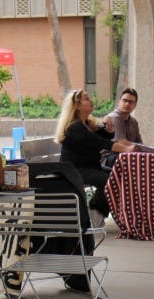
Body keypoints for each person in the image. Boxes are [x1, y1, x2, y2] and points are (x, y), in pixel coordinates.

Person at [55, 89, 136, 228]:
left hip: (89, 168)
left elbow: (102, 137)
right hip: (75, 170)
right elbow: (100, 143)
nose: (91, 101)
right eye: (86, 99)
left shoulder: (86, 124)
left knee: (117, 176)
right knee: (111, 179)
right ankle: (95, 210)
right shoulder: (75, 127)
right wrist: (127, 149)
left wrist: (109, 130)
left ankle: (97, 210)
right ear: (77, 105)